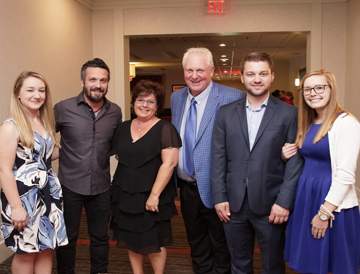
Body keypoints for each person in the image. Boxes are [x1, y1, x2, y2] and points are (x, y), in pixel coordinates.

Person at [211, 52, 304, 274]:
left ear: (272, 76)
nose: (257, 79)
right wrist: (219, 197)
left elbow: (295, 162)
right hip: (233, 205)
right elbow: (218, 158)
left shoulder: (290, 114)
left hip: (272, 204)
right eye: (251, 74)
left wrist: (284, 202)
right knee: (239, 265)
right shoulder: (225, 113)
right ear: (242, 77)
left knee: (272, 265)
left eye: (263, 73)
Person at [171, 47, 243, 274]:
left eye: (200, 70)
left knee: (222, 246)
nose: (194, 75)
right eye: (189, 70)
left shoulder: (233, 97)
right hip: (187, 187)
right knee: (197, 244)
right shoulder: (177, 97)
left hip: (219, 188)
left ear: (212, 70)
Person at [283, 69, 360, 274]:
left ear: (331, 89)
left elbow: (345, 175)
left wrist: (325, 213)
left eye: (319, 87)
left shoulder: (346, 123)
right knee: (310, 262)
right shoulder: (308, 122)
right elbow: (307, 155)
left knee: (335, 264)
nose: (312, 93)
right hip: (306, 197)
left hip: (332, 203)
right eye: (307, 89)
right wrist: (286, 154)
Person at [54, 58, 122, 274]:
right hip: (70, 185)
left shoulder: (115, 111)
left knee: (100, 237)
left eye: (103, 80)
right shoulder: (63, 108)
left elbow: (113, 145)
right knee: (68, 237)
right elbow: (44, 138)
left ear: (108, 82)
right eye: (92, 79)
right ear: (82, 81)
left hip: (101, 185)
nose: (98, 85)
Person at [110, 79, 181, 274]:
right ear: (133, 103)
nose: (144, 105)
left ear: (157, 106)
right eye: (140, 100)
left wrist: (154, 195)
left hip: (152, 194)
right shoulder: (123, 127)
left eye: (151, 101)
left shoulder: (165, 129)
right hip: (124, 192)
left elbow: (170, 164)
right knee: (130, 238)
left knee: (153, 240)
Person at [0, 71, 68, 274]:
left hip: (49, 193)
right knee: (26, 253)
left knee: (46, 249)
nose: (37, 95)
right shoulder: (10, 127)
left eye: (41, 90)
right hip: (23, 197)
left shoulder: (44, 122)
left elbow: (47, 155)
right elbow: (4, 169)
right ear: (18, 93)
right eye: (30, 90)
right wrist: (16, 207)